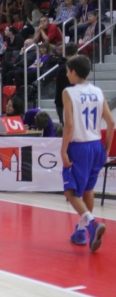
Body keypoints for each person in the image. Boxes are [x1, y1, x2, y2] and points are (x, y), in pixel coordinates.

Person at [61, 55, 114, 252]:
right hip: (96, 145)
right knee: (88, 190)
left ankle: (91, 223)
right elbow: (111, 122)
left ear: (74, 72)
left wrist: (63, 150)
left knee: (70, 192)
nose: (67, 75)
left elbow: (69, 125)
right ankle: (81, 232)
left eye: (68, 71)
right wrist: (106, 148)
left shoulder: (68, 92)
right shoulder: (98, 91)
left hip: (79, 147)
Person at [54, 43, 78, 124]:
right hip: (65, 103)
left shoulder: (62, 65)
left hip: (61, 102)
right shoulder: (67, 68)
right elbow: (67, 87)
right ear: (76, 53)